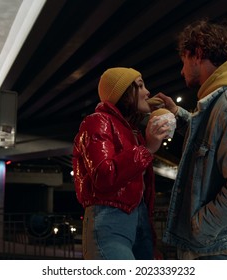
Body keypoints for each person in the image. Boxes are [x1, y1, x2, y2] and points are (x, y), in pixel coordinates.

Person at [156, 19, 227, 260]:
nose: (181, 71)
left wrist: (199, 227)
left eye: (184, 61)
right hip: (220, 246)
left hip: (219, 249)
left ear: (197, 54)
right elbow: (213, 141)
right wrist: (178, 115)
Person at [72, 67, 170, 259]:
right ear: (124, 93)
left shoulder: (133, 132)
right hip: (109, 218)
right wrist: (147, 149)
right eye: (140, 86)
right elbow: (104, 176)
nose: (147, 92)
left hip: (139, 218)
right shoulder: (97, 121)